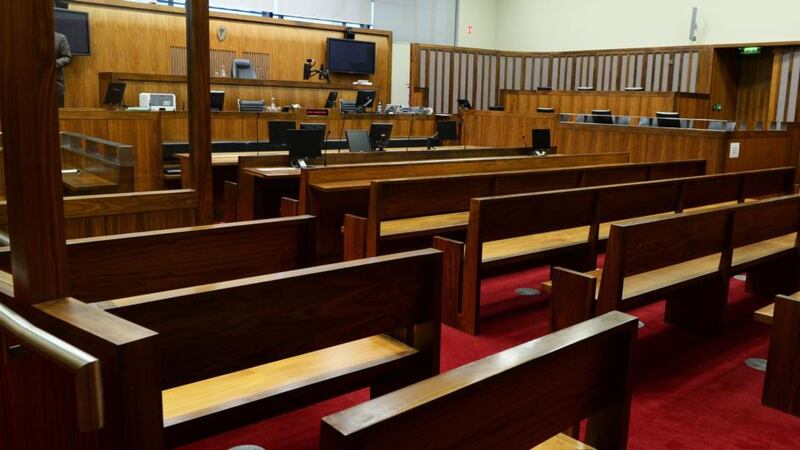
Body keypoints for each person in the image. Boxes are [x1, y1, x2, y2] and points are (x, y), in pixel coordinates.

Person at [55, 32, 72, 107]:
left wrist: (51, 64)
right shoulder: (32, 37)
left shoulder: (60, 38)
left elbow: (67, 57)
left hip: (55, 83)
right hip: (34, 84)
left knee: (59, 113)